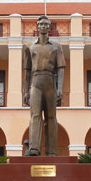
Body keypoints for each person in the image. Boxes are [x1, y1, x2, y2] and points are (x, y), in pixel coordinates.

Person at [22, 15, 66, 156]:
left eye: (46, 24)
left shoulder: (56, 46)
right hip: (35, 81)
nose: (43, 26)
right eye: (41, 24)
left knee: (51, 117)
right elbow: (27, 71)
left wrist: (59, 88)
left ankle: (51, 150)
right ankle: (34, 148)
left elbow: (60, 68)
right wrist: (25, 91)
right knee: (35, 115)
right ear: (37, 26)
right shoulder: (29, 47)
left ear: (49, 27)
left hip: (49, 82)